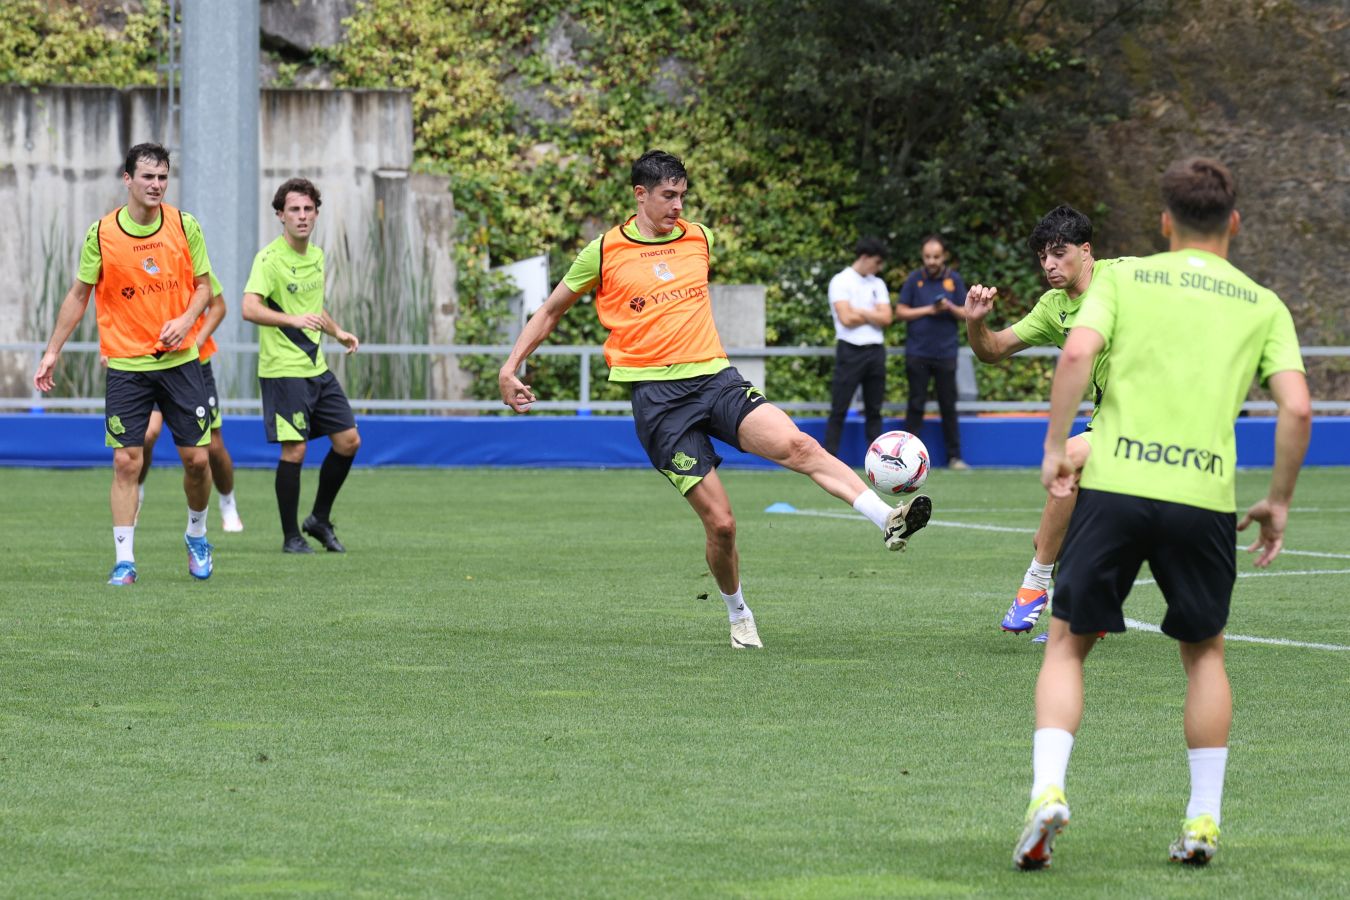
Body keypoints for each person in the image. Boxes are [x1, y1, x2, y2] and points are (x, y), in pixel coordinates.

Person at [498, 149, 932, 650]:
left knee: (800, 447)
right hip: (659, 403)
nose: (678, 206)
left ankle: (888, 519)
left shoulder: (698, 238)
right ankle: (738, 613)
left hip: (715, 380)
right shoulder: (603, 251)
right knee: (722, 525)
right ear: (640, 195)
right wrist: (511, 367)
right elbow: (550, 311)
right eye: (667, 196)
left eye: (682, 195)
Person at [1011, 157, 1310, 871]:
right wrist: (1279, 500)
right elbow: (1296, 405)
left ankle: (1048, 791)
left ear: (1165, 223)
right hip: (1203, 495)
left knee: (1067, 645)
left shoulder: (1121, 276)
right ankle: (1203, 820)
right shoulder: (1263, 303)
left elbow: (1077, 349)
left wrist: (1058, 447)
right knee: (1204, 655)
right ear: (1233, 224)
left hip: (1113, 483)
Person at [33, 142, 216, 585]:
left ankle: (197, 533)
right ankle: (125, 560)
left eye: (163, 177)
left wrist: (187, 319)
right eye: (148, 176)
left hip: (180, 362)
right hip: (127, 365)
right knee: (125, 462)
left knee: (196, 459)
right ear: (127, 179)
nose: (156, 185)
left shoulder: (184, 224)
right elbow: (79, 296)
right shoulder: (101, 234)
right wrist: (53, 350)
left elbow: (205, 288)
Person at [965, 206, 1127, 635]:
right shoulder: (1052, 307)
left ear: (1086, 250)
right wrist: (975, 324)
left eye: (1059, 253)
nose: (1050, 265)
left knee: (1068, 459)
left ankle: (1033, 586)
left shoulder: (1126, 276)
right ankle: (1087, 608)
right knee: (1049, 541)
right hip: (1109, 423)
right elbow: (993, 349)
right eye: (1043, 257)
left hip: (1155, 418)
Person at [241, 177, 361, 554]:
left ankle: (319, 519)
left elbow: (312, 308)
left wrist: (338, 331)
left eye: (308, 209)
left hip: (316, 367)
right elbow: (249, 308)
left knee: (348, 441)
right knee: (294, 451)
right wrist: (293, 321)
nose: (302, 216)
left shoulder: (317, 256)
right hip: (283, 371)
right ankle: (291, 536)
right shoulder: (269, 259)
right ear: (281, 215)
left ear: (316, 214)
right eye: (294, 209)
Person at [136, 272, 244, 532]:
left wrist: (197, 339)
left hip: (193, 367)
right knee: (147, 435)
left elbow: (219, 306)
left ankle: (228, 504)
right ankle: (136, 491)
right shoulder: (141, 259)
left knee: (213, 446)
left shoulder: (193, 262)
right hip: (151, 362)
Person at [895, 235, 968, 469]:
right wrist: (930, 309)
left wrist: (950, 307)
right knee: (915, 405)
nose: (932, 261)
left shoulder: (954, 280)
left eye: (936, 256)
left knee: (948, 405)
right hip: (918, 353)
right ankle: (905, 457)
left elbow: (967, 313)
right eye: (927, 256)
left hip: (946, 353)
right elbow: (901, 312)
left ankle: (954, 457)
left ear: (944, 256)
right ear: (922, 256)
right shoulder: (914, 279)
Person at [822, 237, 893, 459]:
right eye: (876, 262)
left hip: (875, 350)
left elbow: (887, 317)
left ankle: (878, 460)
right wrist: (873, 314)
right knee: (839, 407)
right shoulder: (840, 281)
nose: (877, 268)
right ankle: (829, 457)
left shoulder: (877, 283)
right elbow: (845, 318)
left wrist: (860, 311)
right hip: (850, 350)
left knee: (875, 409)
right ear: (864, 257)